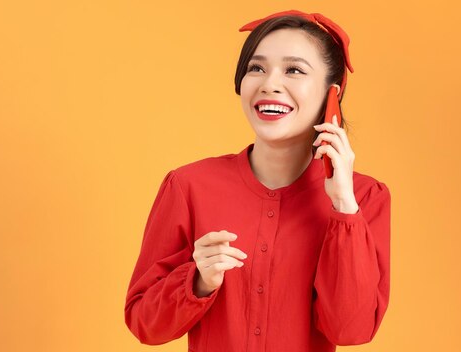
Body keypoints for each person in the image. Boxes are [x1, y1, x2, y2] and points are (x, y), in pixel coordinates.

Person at [124, 9, 391, 352]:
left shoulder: (364, 198)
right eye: (256, 68)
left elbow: (350, 330)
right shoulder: (188, 186)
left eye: (293, 70)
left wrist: (343, 206)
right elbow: (144, 324)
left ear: (332, 95)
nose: (269, 84)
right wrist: (198, 281)